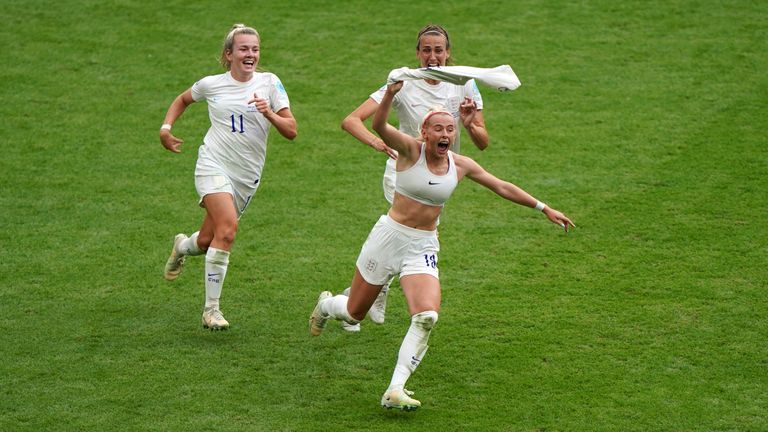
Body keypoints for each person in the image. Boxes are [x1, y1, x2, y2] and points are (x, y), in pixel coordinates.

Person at [310, 80, 575, 411]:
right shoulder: (409, 151)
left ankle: (395, 388)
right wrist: (390, 94)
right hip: (388, 238)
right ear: (425, 131)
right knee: (353, 312)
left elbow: (501, 186)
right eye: (438, 128)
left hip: (423, 245)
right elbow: (377, 124)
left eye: (449, 128)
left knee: (426, 316)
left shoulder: (459, 165)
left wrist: (544, 208)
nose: (445, 134)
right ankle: (326, 306)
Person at [339, 24, 490, 332]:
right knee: (406, 233)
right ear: (418, 53)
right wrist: (377, 142)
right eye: (426, 50)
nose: (432, 56)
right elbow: (352, 120)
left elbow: (483, 141)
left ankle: (362, 294)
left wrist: (469, 122)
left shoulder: (464, 83)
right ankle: (372, 292)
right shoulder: (403, 81)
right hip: (406, 170)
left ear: (448, 53)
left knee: (414, 235)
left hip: (442, 173)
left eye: (438, 50)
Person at [159, 24, 297, 330]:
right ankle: (211, 310)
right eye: (244, 49)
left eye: (255, 49)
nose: (250, 54)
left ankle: (182, 246)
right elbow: (182, 100)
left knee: (209, 240)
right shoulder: (211, 85)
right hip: (213, 164)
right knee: (229, 230)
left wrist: (269, 114)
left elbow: (292, 131)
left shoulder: (271, 83)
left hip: (246, 177)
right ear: (229, 54)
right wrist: (166, 129)